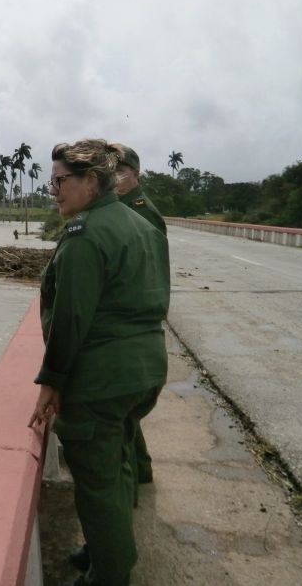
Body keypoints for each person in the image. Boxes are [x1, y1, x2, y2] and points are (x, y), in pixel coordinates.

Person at [28, 139, 170, 586]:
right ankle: (112, 554)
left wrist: (51, 382)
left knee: (97, 484)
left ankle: (109, 575)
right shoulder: (140, 224)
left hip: (102, 379)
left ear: (91, 181)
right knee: (120, 464)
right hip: (144, 371)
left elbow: (70, 317)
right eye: (50, 182)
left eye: (61, 181)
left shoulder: (86, 233)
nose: (54, 190)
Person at [109, 142, 167, 486]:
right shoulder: (124, 207)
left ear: (135, 174)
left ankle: (132, 478)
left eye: (122, 172)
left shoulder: (141, 212)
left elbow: (147, 273)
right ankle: (142, 468)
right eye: (110, 172)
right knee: (127, 415)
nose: (115, 179)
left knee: (121, 415)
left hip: (133, 324)